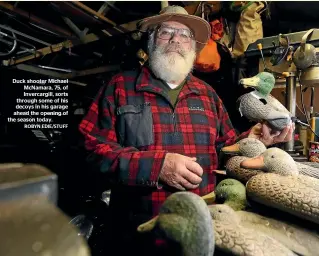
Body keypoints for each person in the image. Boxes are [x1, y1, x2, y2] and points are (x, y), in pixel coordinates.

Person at [78, 5, 294, 254]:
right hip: (138, 234)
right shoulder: (119, 87)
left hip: (203, 230)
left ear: (193, 46)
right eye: (165, 32)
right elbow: (90, 149)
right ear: (150, 41)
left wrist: (254, 138)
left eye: (184, 35)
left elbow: (225, 149)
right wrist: (156, 166)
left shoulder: (207, 94)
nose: (175, 40)